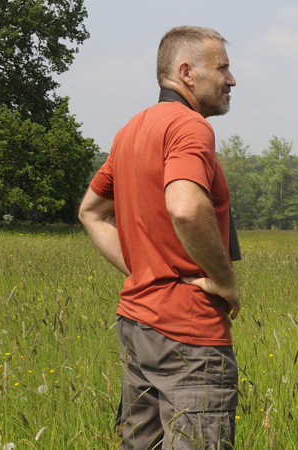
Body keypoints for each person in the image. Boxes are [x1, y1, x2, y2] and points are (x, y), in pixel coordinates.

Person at [78, 25, 241, 449]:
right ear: (187, 72)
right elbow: (185, 206)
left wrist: (143, 267)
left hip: (137, 323)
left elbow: (91, 212)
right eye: (222, 68)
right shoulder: (189, 127)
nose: (232, 79)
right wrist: (224, 281)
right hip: (188, 331)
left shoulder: (131, 130)